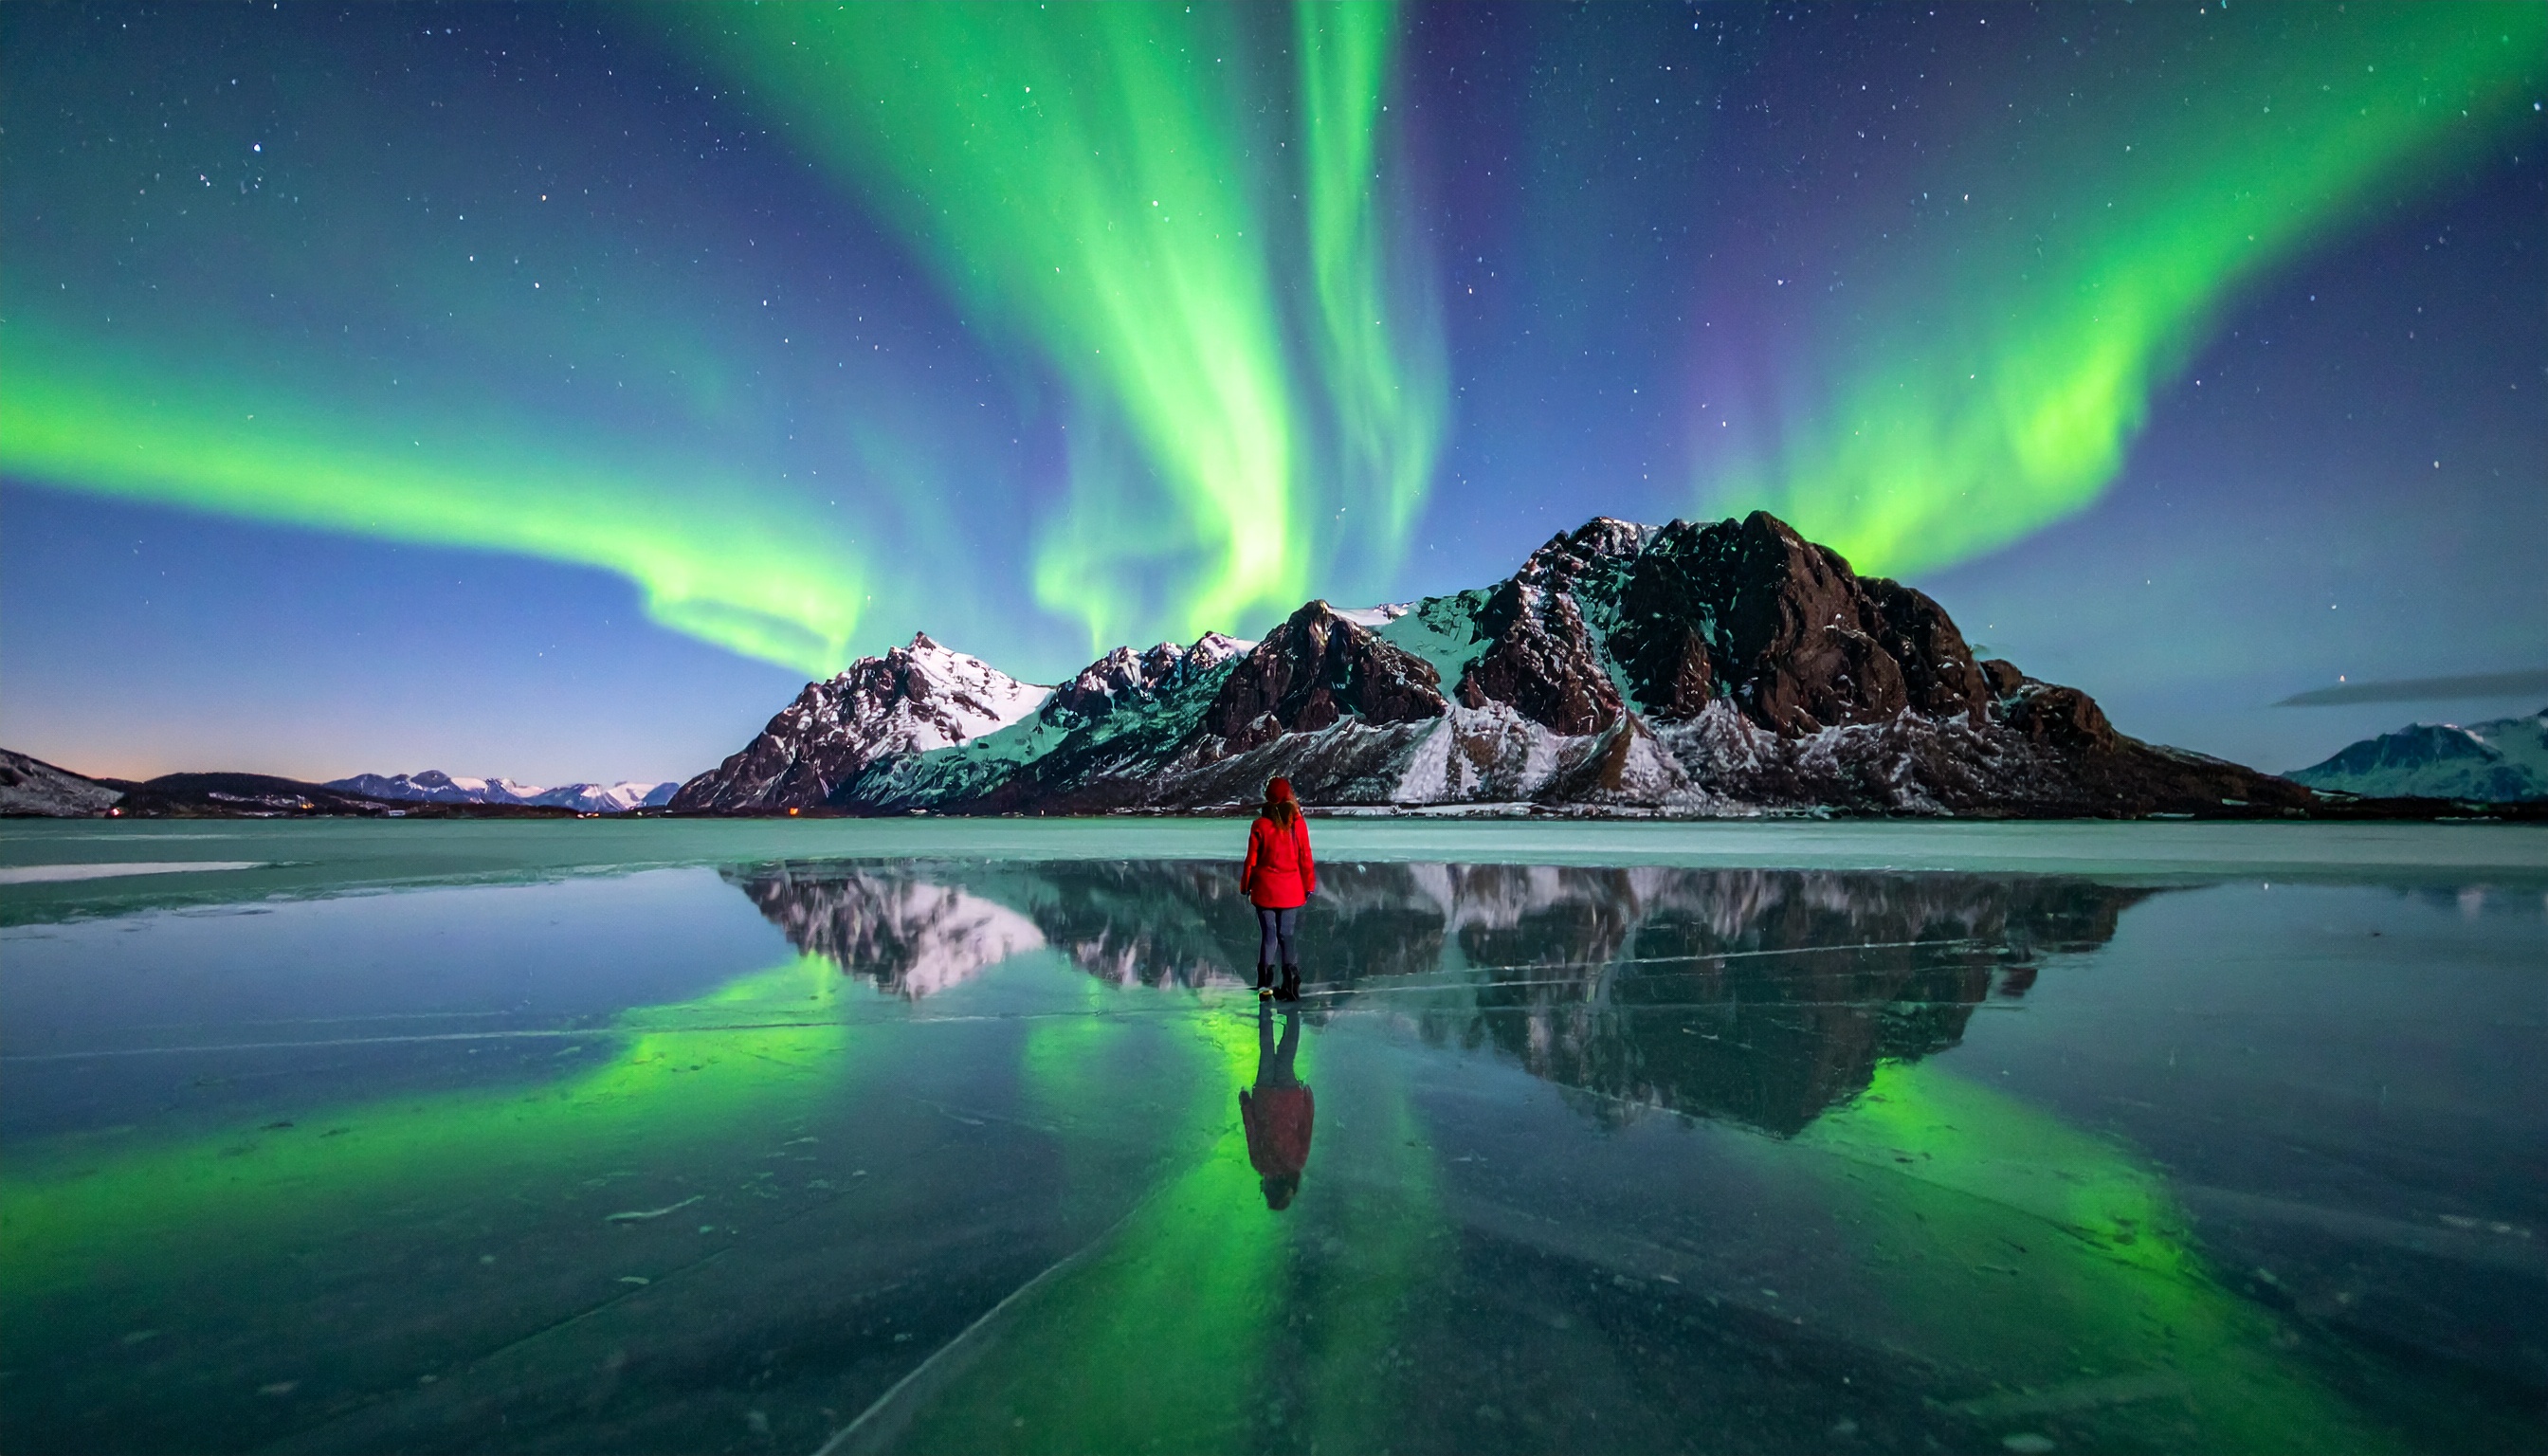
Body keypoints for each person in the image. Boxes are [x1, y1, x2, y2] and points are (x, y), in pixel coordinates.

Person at [1241, 775, 1316, 1001]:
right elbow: (1305, 857)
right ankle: (1291, 985)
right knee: (1287, 935)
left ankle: (1265, 986)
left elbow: (1251, 860)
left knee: (1269, 936)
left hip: (1264, 890)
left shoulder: (1260, 825)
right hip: (1291, 890)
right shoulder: (1297, 824)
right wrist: (1309, 885)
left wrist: (1246, 885)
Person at [1240, 1003, 1314, 1210]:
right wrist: (1246, 1104)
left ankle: (1292, 1014)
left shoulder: (1297, 1162)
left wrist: (1307, 1100)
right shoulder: (1260, 1164)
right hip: (1264, 1097)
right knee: (1266, 1049)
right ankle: (1265, 1004)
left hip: (1289, 1098)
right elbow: (1251, 1131)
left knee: (1286, 1054)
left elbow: (1305, 1128)